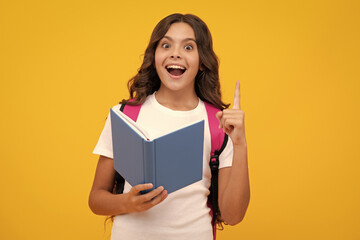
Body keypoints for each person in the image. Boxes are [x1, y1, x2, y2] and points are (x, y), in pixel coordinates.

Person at [89, 13, 250, 240]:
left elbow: (233, 216)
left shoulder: (220, 124)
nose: (175, 53)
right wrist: (128, 202)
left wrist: (240, 144)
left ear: (202, 60)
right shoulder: (124, 116)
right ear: (155, 55)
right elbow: (96, 199)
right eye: (166, 45)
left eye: (188, 47)